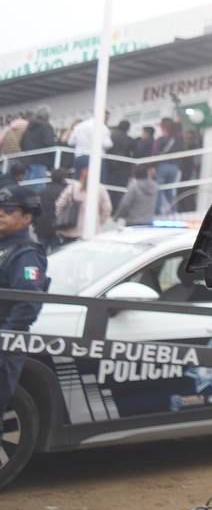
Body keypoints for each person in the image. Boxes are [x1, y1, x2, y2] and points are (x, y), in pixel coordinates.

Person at [0, 184, 49, 423]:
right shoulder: (4, 247)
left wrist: (5, 338)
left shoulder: (26, 254)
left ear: (27, 218)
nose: (1, 213)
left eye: (9, 210)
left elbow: (28, 303)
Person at [54, 160, 113, 242]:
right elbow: (107, 209)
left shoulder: (73, 187)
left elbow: (59, 204)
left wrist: (61, 216)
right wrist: (99, 221)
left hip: (71, 230)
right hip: (92, 230)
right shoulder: (100, 188)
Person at [153, 118, 184, 216]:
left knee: (158, 189)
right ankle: (174, 210)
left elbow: (155, 152)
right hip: (175, 167)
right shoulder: (179, 139)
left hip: (163, 165)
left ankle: (157, 212)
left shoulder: (161, 139)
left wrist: (152, 166)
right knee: (169, 190)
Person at [34, 168, 70, 250]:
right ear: (63, 179)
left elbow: (35, 210)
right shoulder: (65, 192)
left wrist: (35, 224)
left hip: (42, 227)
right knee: (57, 252)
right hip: (58, 227)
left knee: (41, 251)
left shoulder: (41, 192)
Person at [19, 106, 58, 180]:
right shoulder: (46, 126)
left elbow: (21, 143)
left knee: (27, 183)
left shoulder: (28, 127)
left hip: (26, 161)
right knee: (38, 184)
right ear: (47, 116)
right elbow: (49, 143)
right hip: (40, 161)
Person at [106, 119, 135, 208]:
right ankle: (117, 209)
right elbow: (134, 153)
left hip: (110, 166)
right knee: (120, 190)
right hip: (123, 167)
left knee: (109, 188)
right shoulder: (130, 140)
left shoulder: (111, 136)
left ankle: (108, 207)